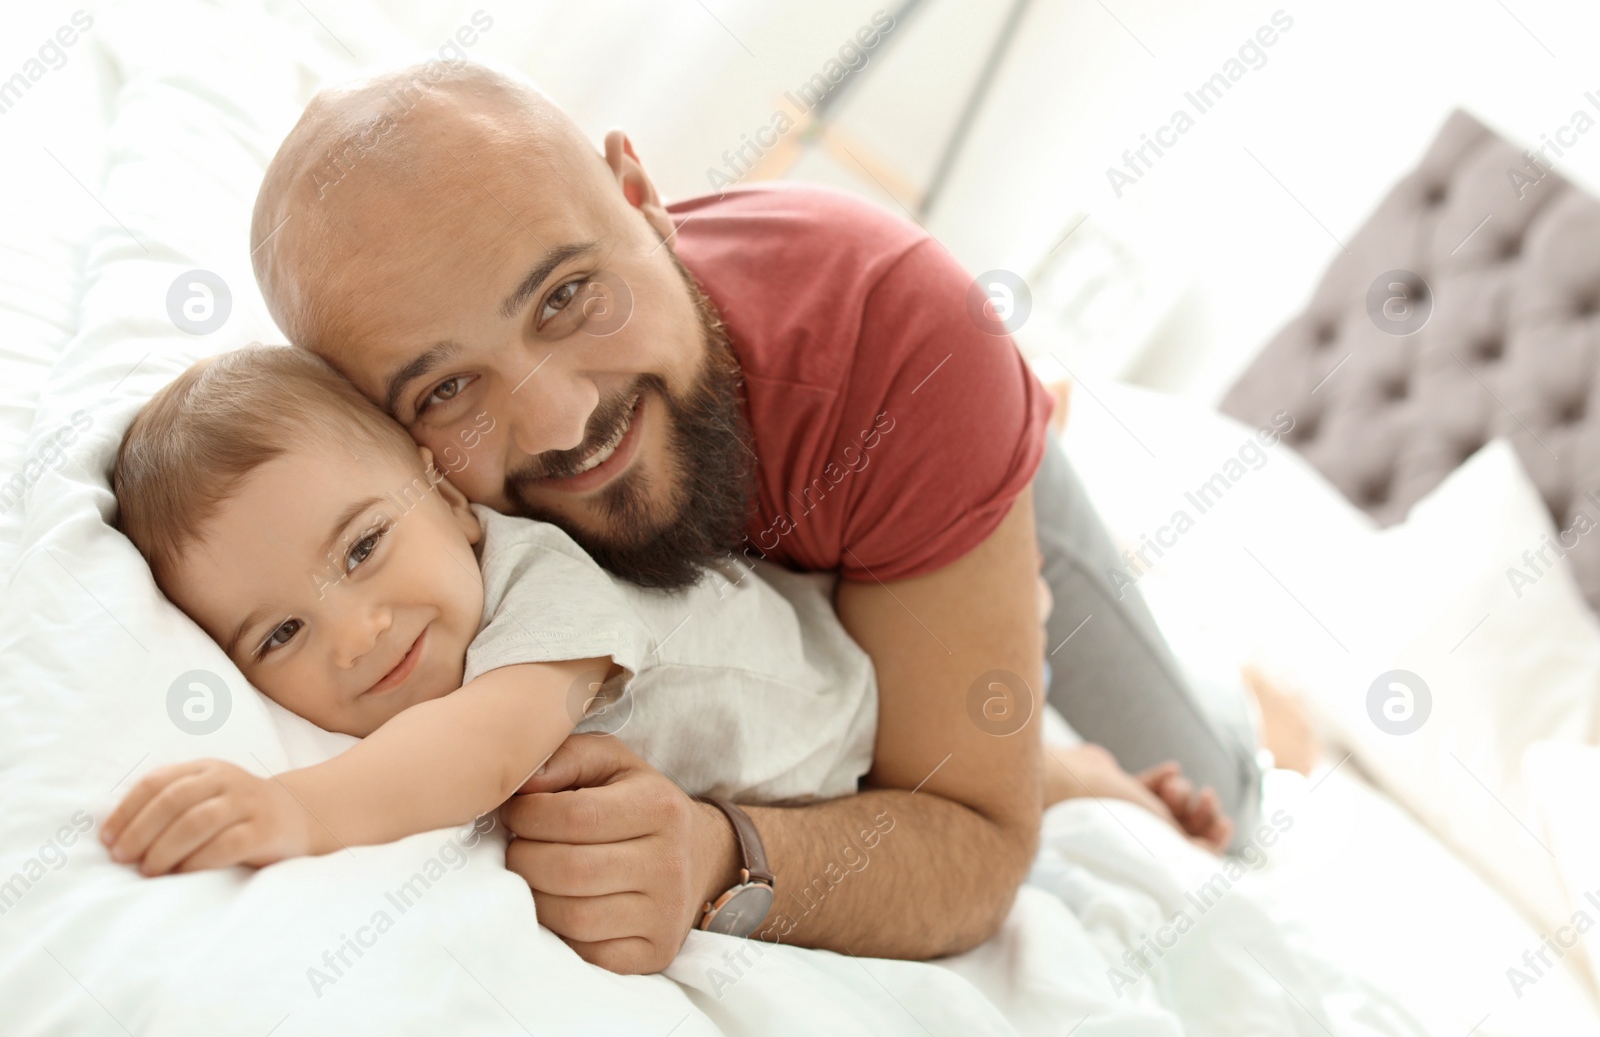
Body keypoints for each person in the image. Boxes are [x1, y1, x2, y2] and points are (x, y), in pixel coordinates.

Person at [247, 60, 1257, 973]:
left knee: (1227, 801)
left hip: (949, 451)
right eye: (446, 388)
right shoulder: (390, 466)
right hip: (829, 592)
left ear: (642, 200)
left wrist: (719, 852)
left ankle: (1239, 712)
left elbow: (977, 842)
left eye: (564, 296)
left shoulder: (899, 344)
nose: (559, 420)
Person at [99, 346, 1216, 919]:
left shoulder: (538, 587)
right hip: (802, 766)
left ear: (446, 500)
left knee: (1025, 773)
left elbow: (490, 744)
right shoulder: (432, 613)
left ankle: (1126, 787)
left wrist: (295, 806)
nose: (358, 629)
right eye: (281, 632)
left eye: (361, 548)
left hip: (858, 707)